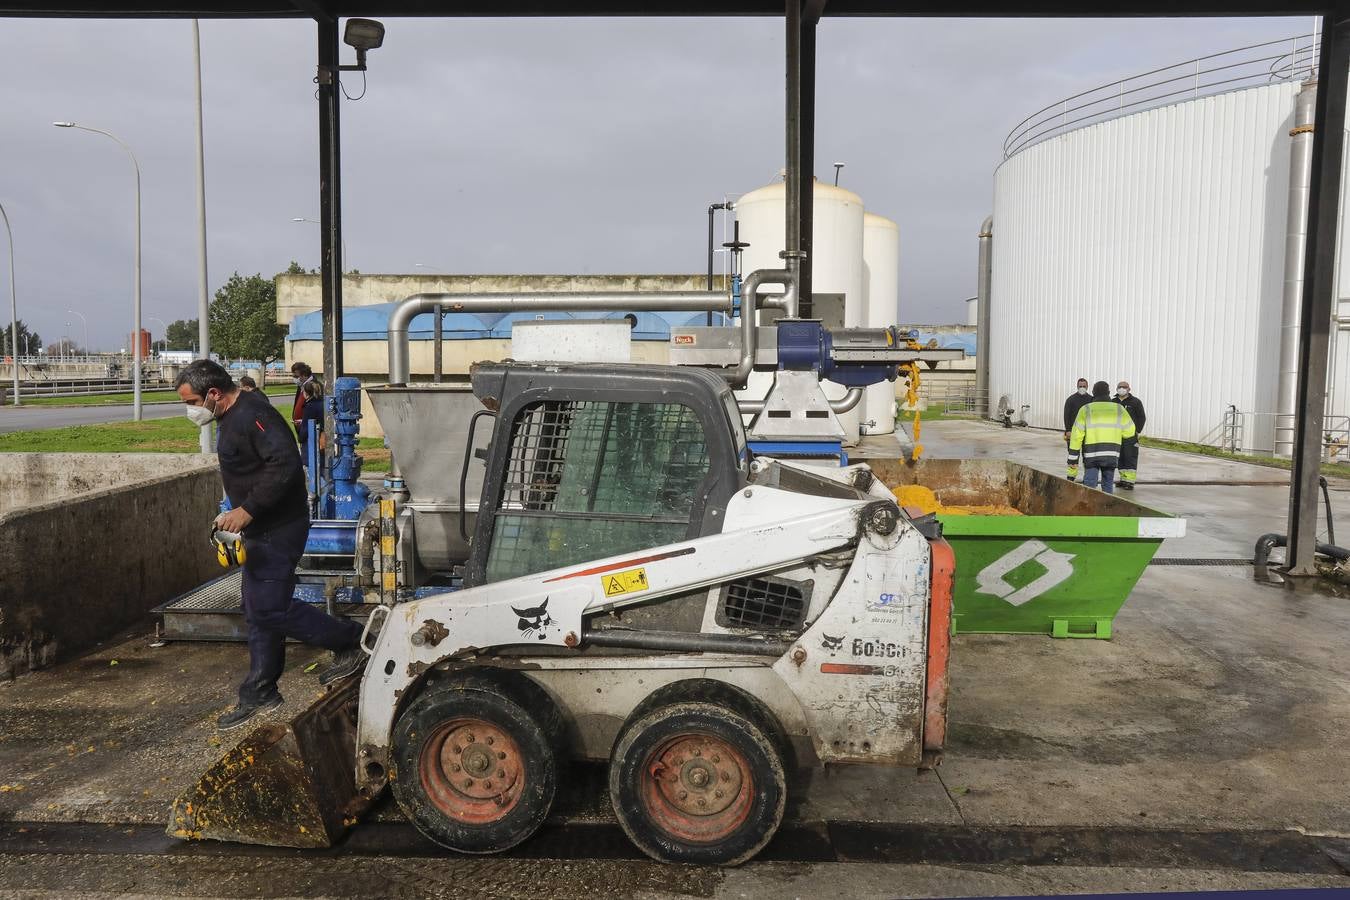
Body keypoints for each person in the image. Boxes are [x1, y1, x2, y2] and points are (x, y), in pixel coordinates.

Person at [176, 359, 365, 730]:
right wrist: (235, 513)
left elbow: (285, 466)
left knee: (269, 609)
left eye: (193, 401)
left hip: (279, 527)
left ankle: (351, 641)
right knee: (256, 608)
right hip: (258, 528)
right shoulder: (230, 418)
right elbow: (252, 470)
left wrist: (247, 510)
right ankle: (260, 690)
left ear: (214, 394)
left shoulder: (253, 414)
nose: (191, 410)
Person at [1068, 381, 1136, 495]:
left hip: (1091, 456)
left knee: (1089, 488)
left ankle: (1089, 509)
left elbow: (1076, 437)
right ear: (1109, 393)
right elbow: (1129, 432)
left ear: (1093, 393)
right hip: (1111, 455)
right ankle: (1107, 510)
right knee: (1108, 487)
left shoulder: (1086, 409)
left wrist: (1072, 459)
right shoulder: (1119, 409)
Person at [1114, 381, 1146, 491]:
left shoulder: (1135, 402)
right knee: (1120, 457)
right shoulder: (1113, 402)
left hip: (1130, 436)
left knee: (1130, 456)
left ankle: (1130, 481)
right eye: (1120, 387)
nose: (1122, 389)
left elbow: (1142, 417)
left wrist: (1137, 430)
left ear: (1129, 389)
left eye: (1124, 387)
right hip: (1116, 435)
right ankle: (1123, 479)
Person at [1062, 377, 1092, 481]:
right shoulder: (1071, 399)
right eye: (1080, 386)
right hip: (1073, 433)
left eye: (1084, 386)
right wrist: (1068, 430)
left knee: (1087, 456)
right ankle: (1071, 476)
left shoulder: (1091, 400)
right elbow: (1067, 416)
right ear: (1077, 386)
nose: (1082, 388)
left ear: (1087, 386)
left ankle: (1088, 477)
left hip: (1088, 433)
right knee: (1073, 456)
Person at [297, 378, 324, 462]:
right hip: (321, 437)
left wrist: (300, 437)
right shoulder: (321, 402)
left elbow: (306, 429)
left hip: (311, 442)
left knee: (311, 466)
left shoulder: (309, 406)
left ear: (307, 393)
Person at [290, 361, 314, 438]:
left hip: (309, 430)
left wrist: (303, 421)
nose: (295, 379)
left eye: (296, 377)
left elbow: (315, 409)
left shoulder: (314, 386)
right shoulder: (301, 386)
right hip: (301, 428)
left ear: (304, 375)